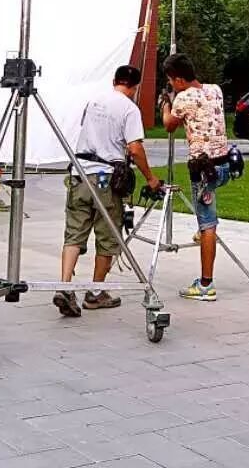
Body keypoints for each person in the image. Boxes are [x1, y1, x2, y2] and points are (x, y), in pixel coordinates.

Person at [54, 65, 162, 317]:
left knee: (74, 233)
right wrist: (150, 177)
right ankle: (95, 292)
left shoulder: (93, 101)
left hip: (79, 173)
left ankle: (65, 286)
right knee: (108, 236)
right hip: (106, 178)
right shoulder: (129, 109)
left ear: (114, 80)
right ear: (135, 87)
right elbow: (135, 148)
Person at [161, 53, 231, 302]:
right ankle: (203, 235)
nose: (171, 85)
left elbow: (169, 125)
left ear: (179, 80)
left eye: (171, 81)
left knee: (208, 223)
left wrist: (166, 105)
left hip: (203, 169)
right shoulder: (215, 89)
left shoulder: (183, 98)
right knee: (206, 217)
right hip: (223, 165)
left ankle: (205, 285)